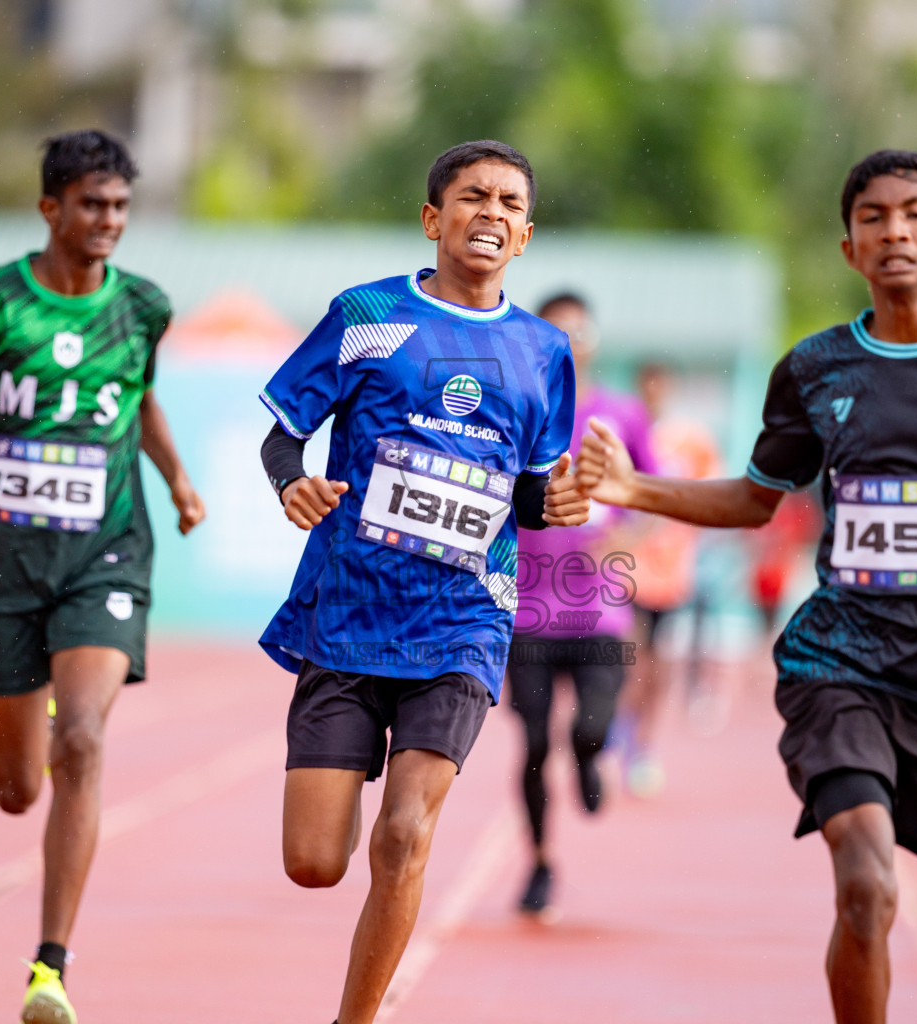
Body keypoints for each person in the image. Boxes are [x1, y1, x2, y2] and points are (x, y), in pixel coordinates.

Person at [574, 149, 917, 1024]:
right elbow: (753, 496)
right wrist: (632, 488)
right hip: (840, 666)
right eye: (874, 217)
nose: (895, 230)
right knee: (865, 885)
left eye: (916, 213)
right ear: (850, 249)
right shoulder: (816, 370)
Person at [256, 140, 590, 1024]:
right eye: (472, 196)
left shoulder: (543, 350)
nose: (492, 212)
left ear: (525, 235)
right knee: (315, 860)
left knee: (404, 833)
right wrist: (292, 480)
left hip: (465, 622)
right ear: (433, 219)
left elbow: (528, 497)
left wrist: (564, 499)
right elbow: (283, 431)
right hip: (351, 613)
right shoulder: (367, 313)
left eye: (510, 203)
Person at [0, 129, 206, 1024]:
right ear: (50, 209)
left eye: (119, 207)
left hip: (105, 554)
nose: (108, 221)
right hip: (0, 568)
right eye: (90, 205)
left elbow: (139, 395)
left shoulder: (144, 306)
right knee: (16, 792)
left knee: (81, 740)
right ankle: (29, 705)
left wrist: (179, 477)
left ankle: (50, 969)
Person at [506, 294, 655, 917]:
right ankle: (540, 863)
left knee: (589, 728)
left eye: (579, 326)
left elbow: (654, 488)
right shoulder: (517, 409)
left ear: (594, 339)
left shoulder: (620, 414)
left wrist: (630, 533)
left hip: (599, 610)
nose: (569, 337)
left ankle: (593, 760)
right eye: (555, 327)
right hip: (526, 613)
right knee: (535, 746)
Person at [617, 361, 722, 794]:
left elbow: (713, 494)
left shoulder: (690, 441)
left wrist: (699, 546)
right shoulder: (622, 433)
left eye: (662, 385)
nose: (654, 391)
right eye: (648, 384)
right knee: (629, 653)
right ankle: (617, 726)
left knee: (656, 665)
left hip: (672, 571)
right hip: (625, 567)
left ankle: (642, 743)